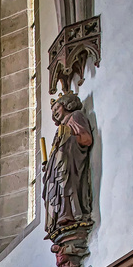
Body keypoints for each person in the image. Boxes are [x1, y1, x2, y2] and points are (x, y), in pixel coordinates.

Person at [42, 91, 94, 233]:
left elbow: (86, 139)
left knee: (67, 184)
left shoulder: (75, 117)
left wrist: (67, 141)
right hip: (61, 168)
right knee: (54, 184)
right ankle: (59, 216)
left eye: (56, 108)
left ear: (66, 104)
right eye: (52, 112)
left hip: (71, 167)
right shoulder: (60, 130)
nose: (54, 113)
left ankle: (70, 214)